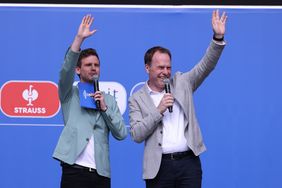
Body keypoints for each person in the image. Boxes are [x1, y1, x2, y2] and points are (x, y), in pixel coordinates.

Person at [129, 10, 227, 188]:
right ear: (147, 68)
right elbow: (136, 134)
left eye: (168, 67)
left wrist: (217, 38)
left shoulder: (182, 82)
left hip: (188, 164)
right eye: (160, 67)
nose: (165, 72)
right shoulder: (137, 99)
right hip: (159, 168)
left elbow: (206, 65)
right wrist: (158, 110)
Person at [53, 15, 127, 188]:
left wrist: (105, 108)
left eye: (96, 64)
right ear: (78, 69)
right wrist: (79, 39)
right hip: (74, 169)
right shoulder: (69, 93)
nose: (94, 68)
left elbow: (121, 133)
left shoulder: (108, 99)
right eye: (88, 65)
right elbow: (65, 71)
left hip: (101, 174)